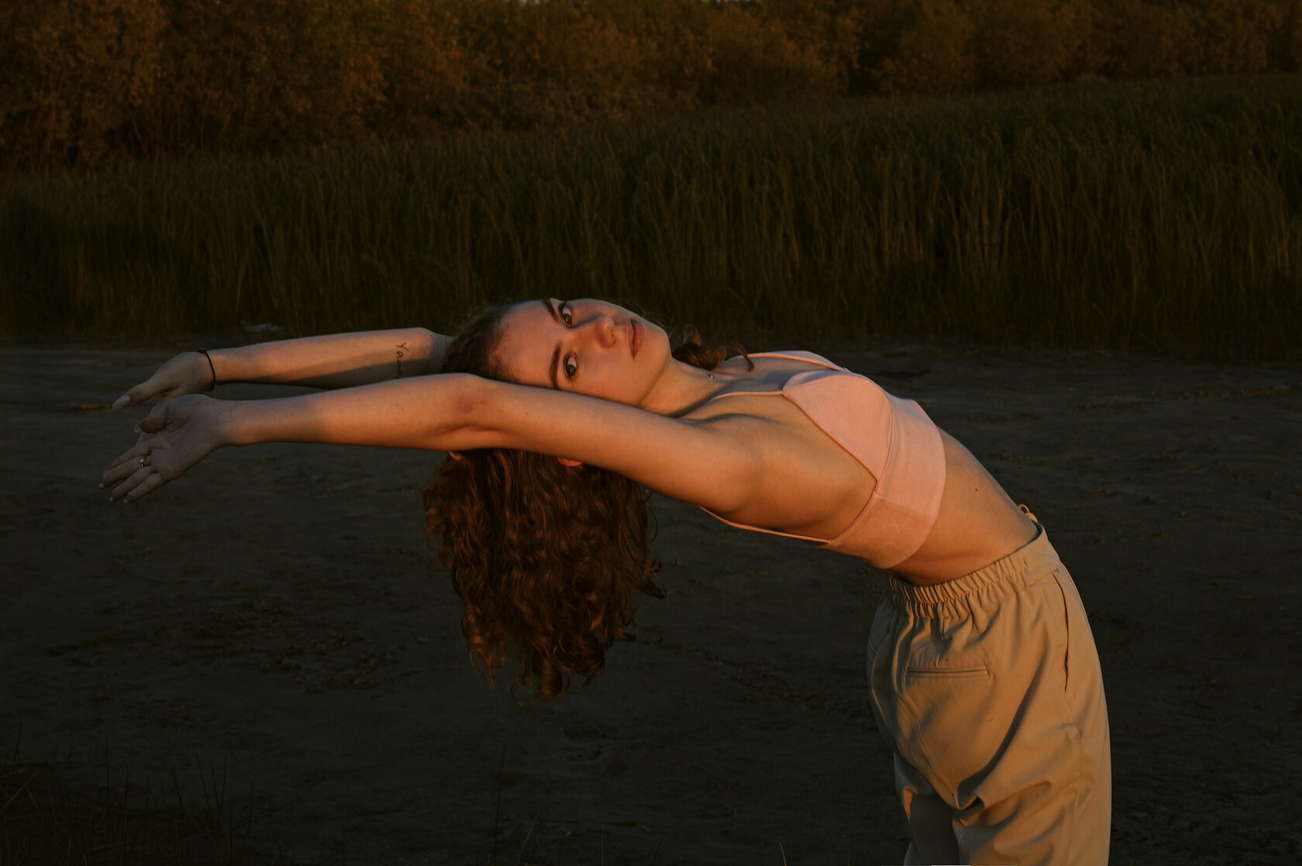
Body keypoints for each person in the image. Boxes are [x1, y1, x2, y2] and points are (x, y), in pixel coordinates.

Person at [100, 298, 1111, 865]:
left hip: (940, 639)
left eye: (564, 313)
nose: (594, 330)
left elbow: (422, 349)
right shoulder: (726, 456)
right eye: (570, 371)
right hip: (1003, 638)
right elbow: (468, 403)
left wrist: (217, 365)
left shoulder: (721, 381)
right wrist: (235, 427)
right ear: (572, 438)